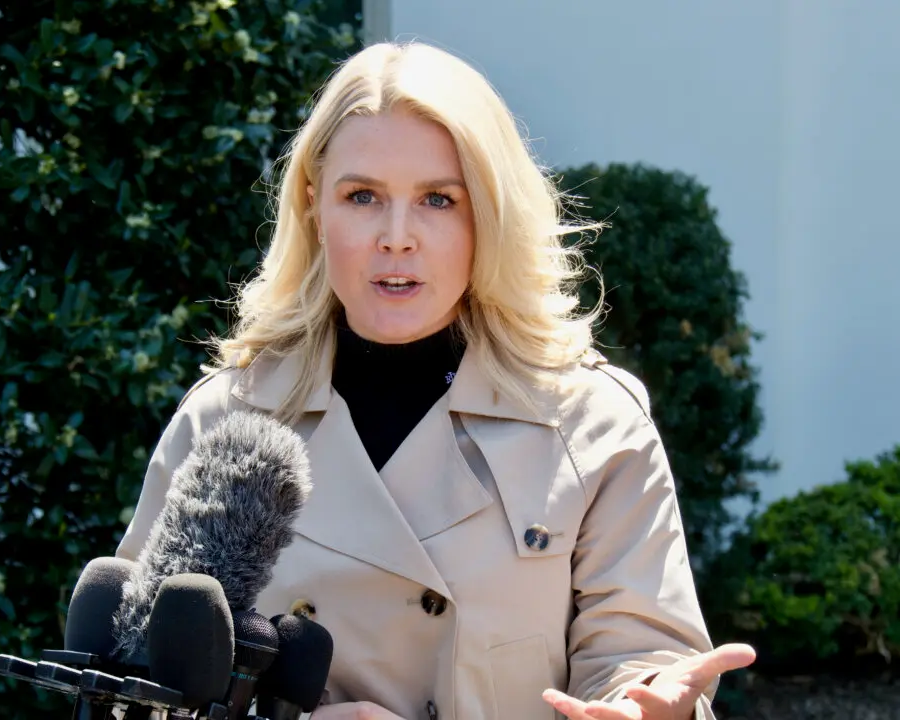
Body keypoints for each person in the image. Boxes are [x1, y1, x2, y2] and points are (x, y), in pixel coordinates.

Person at [117, 41, 754, 720]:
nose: (397, 236)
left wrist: (649, 709)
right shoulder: (224, 424)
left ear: (488, 211)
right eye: (362, 196)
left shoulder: (591, 424)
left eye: (438, 200)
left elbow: (639, 660)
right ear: (313, 205)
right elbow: (138, 686)